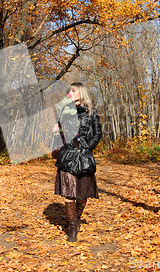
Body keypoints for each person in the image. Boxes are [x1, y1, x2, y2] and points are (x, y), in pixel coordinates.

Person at [52, 82, 102, 242]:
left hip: (84, 155)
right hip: (67, 155)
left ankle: (77, 217)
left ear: (80, 92)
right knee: (69, 193)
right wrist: (56, 131)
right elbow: (60, 133)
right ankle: (72, 228)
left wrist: (88, 147)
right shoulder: (64, 112)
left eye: (73, 91)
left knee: (82, 194)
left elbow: (98, 133)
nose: (70, 94)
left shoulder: (91, 112)